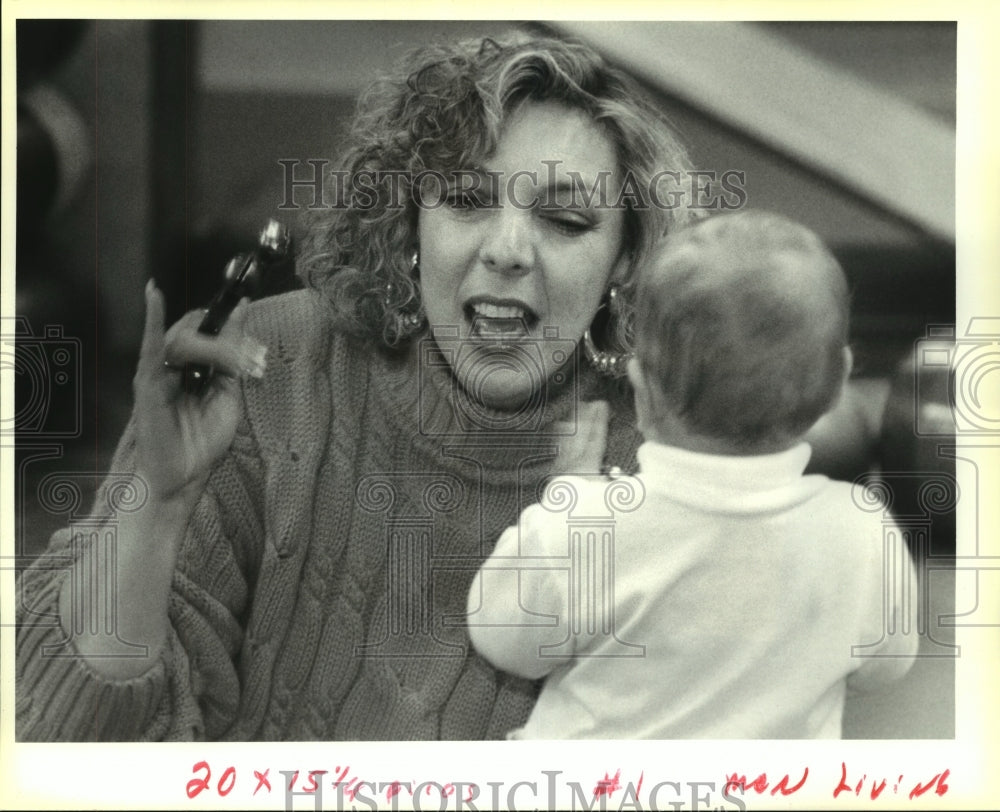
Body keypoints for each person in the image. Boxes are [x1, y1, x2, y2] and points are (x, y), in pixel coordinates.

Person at [15, 34, 697, 741]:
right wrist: (158, 504)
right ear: (409, 221)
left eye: (564, 220)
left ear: (625, 260)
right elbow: (64, 738)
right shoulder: (264, 367)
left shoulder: (669, 462)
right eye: (466, 199)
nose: (507, 250)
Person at [466, 211, 920, 739]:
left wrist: (569, 488)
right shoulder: (862, 529)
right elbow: (886, 663)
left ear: (642, 390)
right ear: (839, 382)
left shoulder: (585, 526)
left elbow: (502, 639)